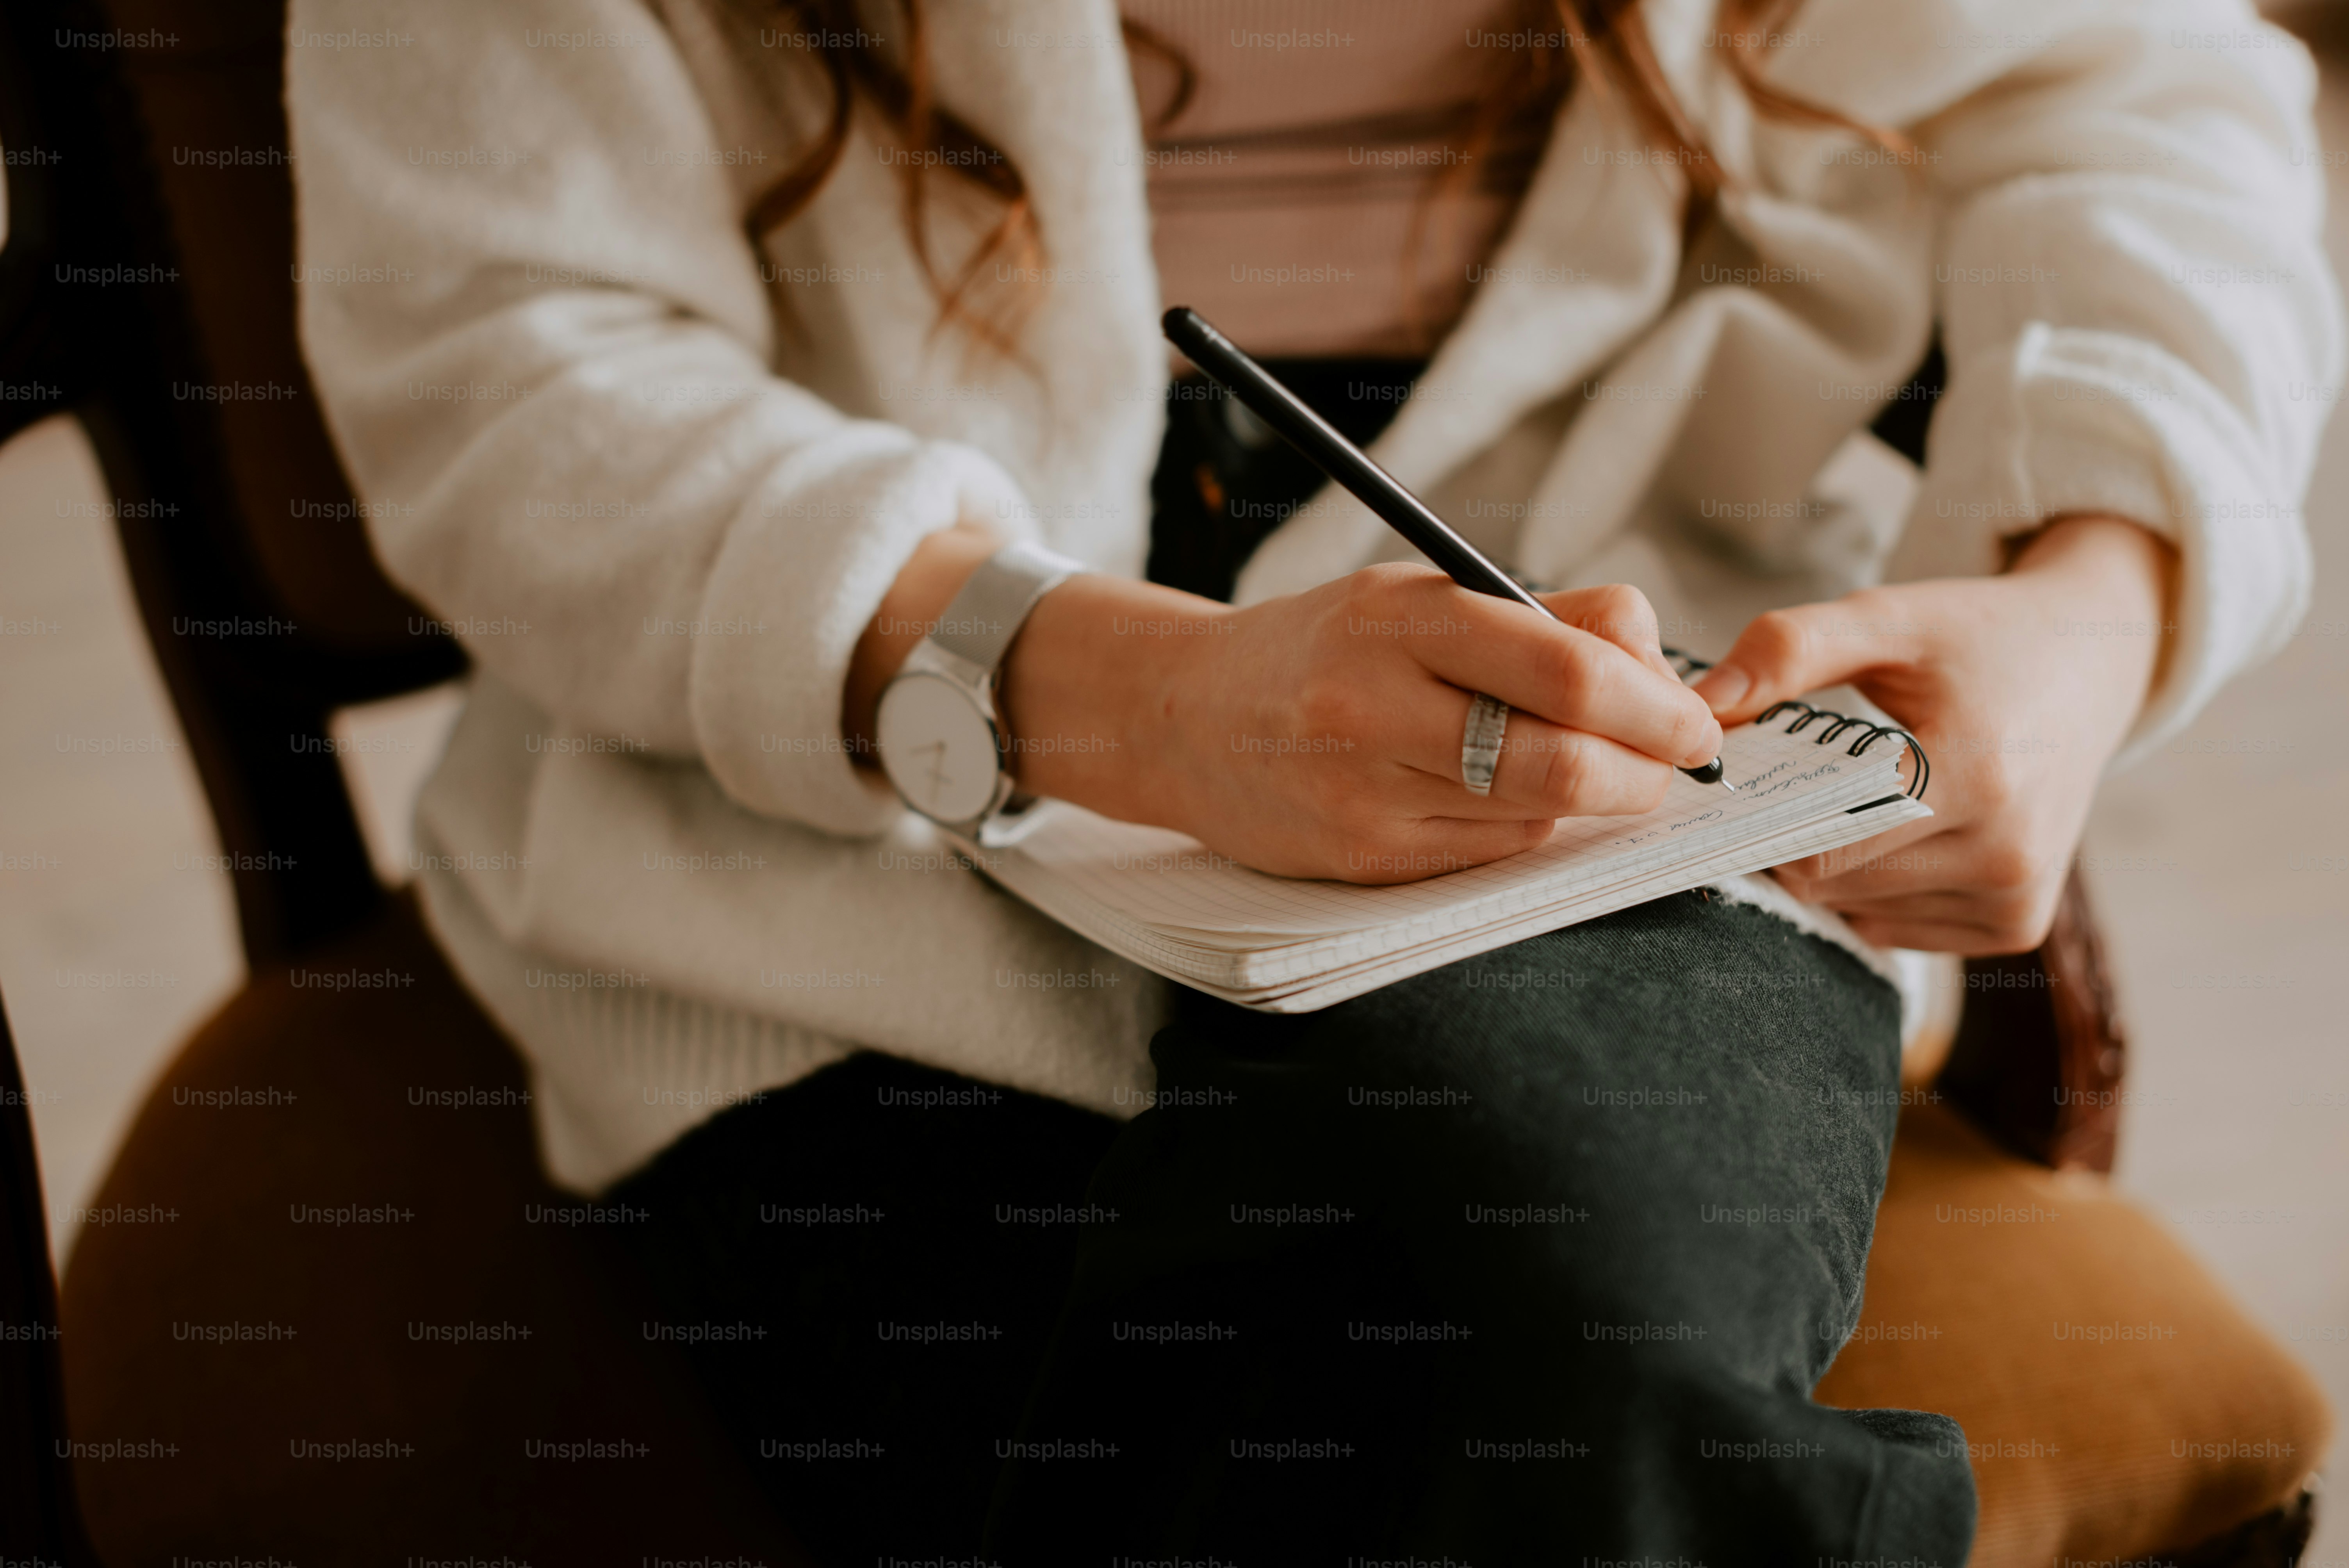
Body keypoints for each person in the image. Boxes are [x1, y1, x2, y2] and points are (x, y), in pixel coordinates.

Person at [286, 0, 2339, 1559]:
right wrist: (1112, 690)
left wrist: (2094, 604)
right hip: (831, 793)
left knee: (1540, 1345)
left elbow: (2147, 99)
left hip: (1630, 723)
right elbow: (510, 355)